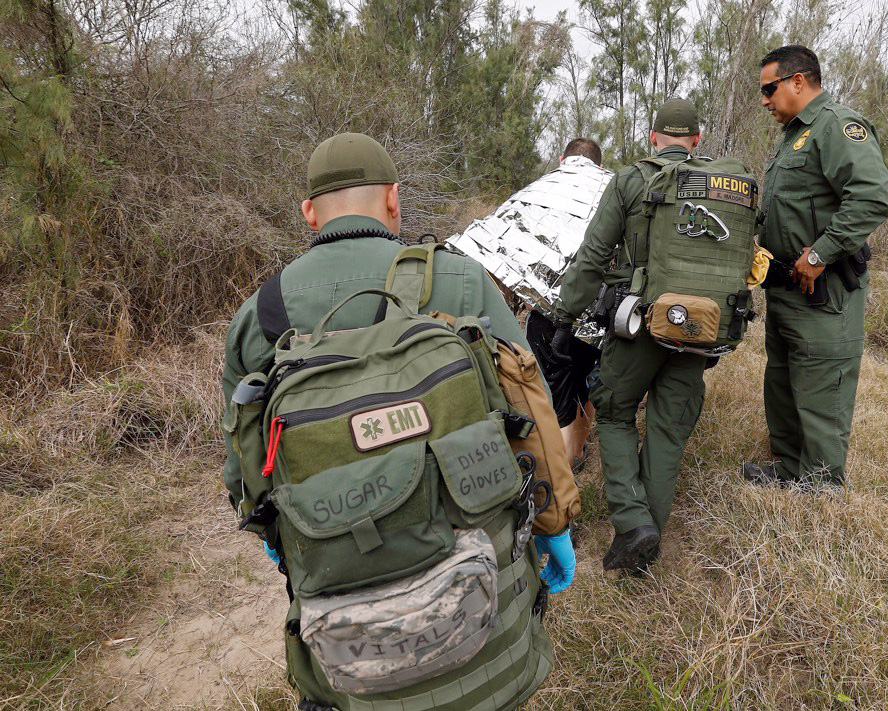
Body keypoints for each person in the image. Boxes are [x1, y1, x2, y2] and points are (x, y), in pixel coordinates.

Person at [221, 133, 575, 711]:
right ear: (393, 201)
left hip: (339, 580)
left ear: (310, 214)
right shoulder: (460, 280)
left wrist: (279, 541)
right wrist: (555, 522)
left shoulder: (261, 315)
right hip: (477, 570)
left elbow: (243, 464)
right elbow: (530, 412)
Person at [552, 99, 716, 574]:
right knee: (668, 430)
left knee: (616, 412)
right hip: (700, 328)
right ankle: (646, 543)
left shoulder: (630, 180)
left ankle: (632, 523)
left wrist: (566, 318)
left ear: (653, 138)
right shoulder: (722, 186)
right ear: (697, 141)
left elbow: (592, 257)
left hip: (640, 322)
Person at [742, 45, 888, 488]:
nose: (764, 100)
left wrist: (819, 254)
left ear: (798, 81)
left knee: (821, 389)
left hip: (825, 293)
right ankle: (789, 468)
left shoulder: (837, 126)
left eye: (769, 89)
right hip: (787, 287)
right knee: (784, 384)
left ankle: (821, 489)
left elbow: (871, 198)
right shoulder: (793, 136)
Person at [447, 137, 614, 469]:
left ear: (563, 159)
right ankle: (579, 446)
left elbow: (498, 240)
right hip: (602, 316)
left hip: (550, 322)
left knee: (560, 397)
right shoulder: (615, 188)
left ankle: (565, 471)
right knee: (585, 380)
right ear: (599, 163)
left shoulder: (545, 186)